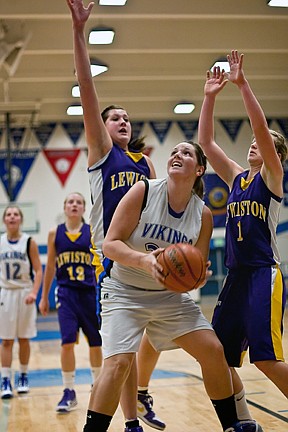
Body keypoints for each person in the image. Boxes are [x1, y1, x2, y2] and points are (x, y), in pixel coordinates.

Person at [83, 139, 254, 432]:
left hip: (168, 297)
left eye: (186, 153)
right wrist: (145, 261)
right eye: (174, 151)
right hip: (124, 291)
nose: (177, 154)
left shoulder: (202, 214)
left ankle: (232, 426)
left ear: (199, 169)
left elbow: (195, 267)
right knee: (119, 365)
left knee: (213, 350)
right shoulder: (144, 191)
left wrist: (197, 276)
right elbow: (109, 245)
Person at [66, 1, 164, 431]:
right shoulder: (102, 157)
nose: (122, 120)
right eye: (114, 118)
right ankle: (127, 420)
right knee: (118, 357)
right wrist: (79, 30)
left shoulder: (145, 165)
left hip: (151, 262)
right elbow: (87, 86)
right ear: (101, 128)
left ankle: (136, 410)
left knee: (138, 349)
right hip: (114, 262)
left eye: (126, 117)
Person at [198, 49, 288, 430]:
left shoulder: (272, 177)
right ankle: (244, 421)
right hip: (236, 276)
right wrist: (210, 96)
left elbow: (260, 129)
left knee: (266, 359)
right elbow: (206, 142)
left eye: (263, 142)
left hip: (262, 274)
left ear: (276, 155)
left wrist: (243, 84)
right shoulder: (237, 177)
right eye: (252, 142)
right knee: (219, 355)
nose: (254, 143)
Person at [39, 192, 103, 413]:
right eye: (70, 202)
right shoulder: (54, 233)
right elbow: (50, 267)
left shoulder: (92, 231)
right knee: (67, 342)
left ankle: (98, 384)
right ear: (65, 208)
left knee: (95, 342)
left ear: (84, 208)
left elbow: (99, 265)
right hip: (66, 293)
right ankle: (68, 391)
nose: (74, 205)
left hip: (88, 293)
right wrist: (45, 295)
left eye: (78, 202)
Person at [0, 205, 42, 399]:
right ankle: (5, 379)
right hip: (6, 293)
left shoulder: (29, 242)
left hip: (24, 292)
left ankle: (23, 376)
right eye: (8, 214)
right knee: (6, 340)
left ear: (21, 219)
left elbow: (38, 270)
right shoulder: (0, 242)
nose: (12, 217)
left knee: (24, 338)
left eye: (15, 214)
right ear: (4, 220)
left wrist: (34, 292)